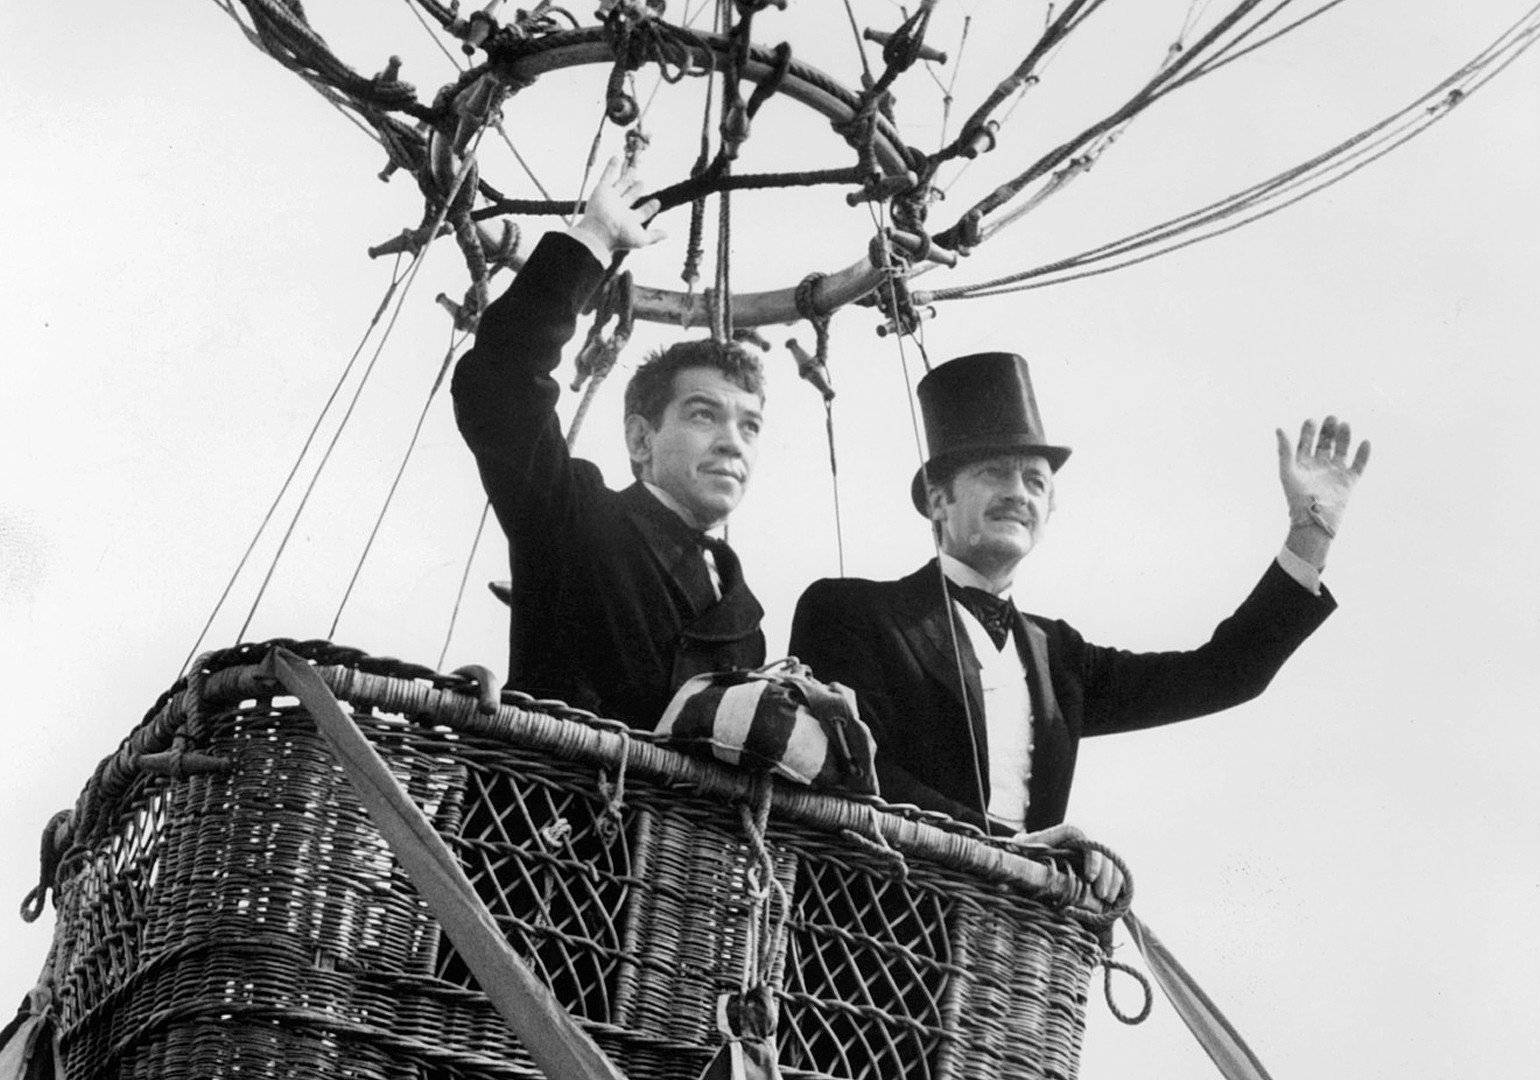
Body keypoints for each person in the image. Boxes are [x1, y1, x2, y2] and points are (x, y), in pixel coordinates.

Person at [788, 351, 1369, 840]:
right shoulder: (848, 612)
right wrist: (1017, 851)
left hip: (1012, 936)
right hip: (865, 929)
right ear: (939, 501)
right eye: (994, 473)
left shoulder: (1059, 655)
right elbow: (849, 767)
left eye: (1035, 482)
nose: (1018, 494)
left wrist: (1309, 534)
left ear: (1050, 510)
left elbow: (1220, 675)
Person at [452, 160, 769, 729]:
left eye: (750, 426)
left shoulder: (742, 613)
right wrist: (594, 236)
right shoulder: (574, 515)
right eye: (704, 415)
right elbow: (499, 382)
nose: (733, 444)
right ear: (641, 438)